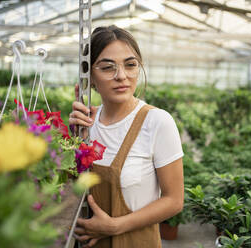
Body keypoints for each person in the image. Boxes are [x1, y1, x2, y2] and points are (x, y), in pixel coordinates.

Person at [69, 25, 184, 248]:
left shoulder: (157, 122)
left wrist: (114, 227)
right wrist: (73, 138)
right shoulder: (87, 122)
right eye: (107, 67)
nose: (121, 76)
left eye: (130, 65)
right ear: (89, 76)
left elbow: (174, 201)